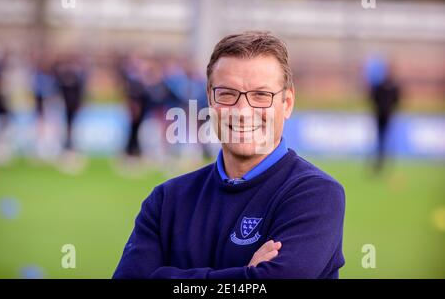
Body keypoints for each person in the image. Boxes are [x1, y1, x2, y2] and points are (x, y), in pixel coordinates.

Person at [113, 31, 345, 279]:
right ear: (210, 101)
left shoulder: (315, 195)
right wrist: (246, 274)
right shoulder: (167, 199)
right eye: (227, 94)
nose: (243, 111)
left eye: (261, 95)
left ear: (287, 103)